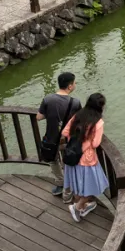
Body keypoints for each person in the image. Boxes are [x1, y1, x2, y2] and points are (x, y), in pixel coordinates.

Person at [62, 92, 109, 222]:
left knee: (77, 185)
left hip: (72, 156)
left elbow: (65, 132)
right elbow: (95, 143)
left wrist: (76, 139)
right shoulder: (98, 123)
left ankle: (81, 207)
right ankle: (77, 207)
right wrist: (86, 141)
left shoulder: (78, 115)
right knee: (92, 186)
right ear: (100, 107)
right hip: (86, 159)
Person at [36, 72, 80, 202]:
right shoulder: (75, 103)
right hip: (68, 139)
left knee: (53, 161)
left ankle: (60, 182)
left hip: (51, 138)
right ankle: (69, 186)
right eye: (74, 83)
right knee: (67, 161)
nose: (75, 85)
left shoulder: (48, 99)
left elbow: (38, 117)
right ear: (70, 86)